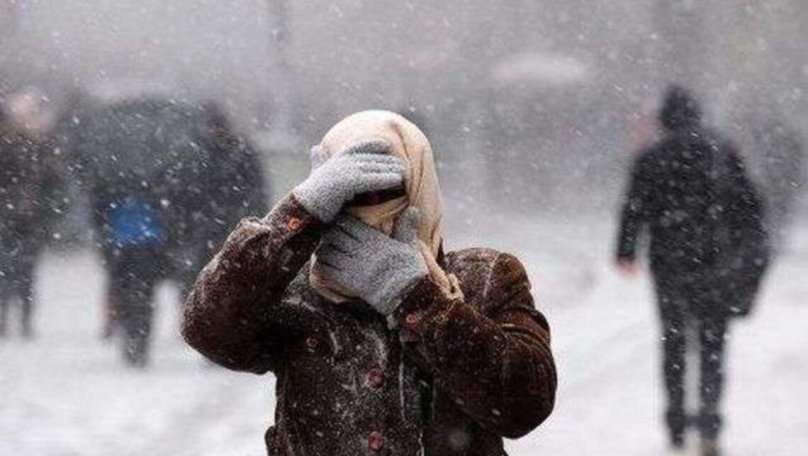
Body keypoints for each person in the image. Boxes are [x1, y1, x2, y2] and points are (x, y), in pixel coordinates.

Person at [183, 110, 557, 456]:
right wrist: (300, 211)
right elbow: (208, 329)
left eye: (386, 192)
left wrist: (416, 296)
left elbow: (525, 405)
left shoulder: (483, 278)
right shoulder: (294, 290)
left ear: (419, 188)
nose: (368, 210)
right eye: (348, 197)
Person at [616, 86, 768, 456]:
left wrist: (626, 250)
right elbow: (750, 204)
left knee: (674, 343)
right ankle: (709, 424)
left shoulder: (652, 156)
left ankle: (676, 425)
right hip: (715, 263)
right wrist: (744, 247)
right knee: (713, 345)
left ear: (664, 118)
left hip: (668, 264)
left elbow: (634, 206)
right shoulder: (720, 149)